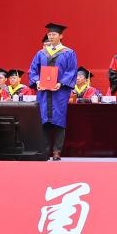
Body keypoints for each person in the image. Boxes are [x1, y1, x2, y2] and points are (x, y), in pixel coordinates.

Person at [29, 22, 78, 161]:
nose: (51, 36)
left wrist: (60, 83)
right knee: (43, 120)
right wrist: (37, 82)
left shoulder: (68, 53)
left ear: (60, 36)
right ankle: (44, 151)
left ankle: (57, 151)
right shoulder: (41, 53)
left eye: (54, 34)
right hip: (43, 92)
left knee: (59, 121)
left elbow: (71, 71)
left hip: (59, 92)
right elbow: (33, 70)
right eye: (49, 34)